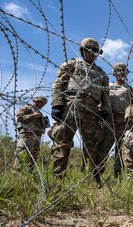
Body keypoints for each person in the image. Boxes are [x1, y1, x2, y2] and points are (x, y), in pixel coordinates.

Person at [50, 37, 110, 188]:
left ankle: (91, 178)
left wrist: (104, 110)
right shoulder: (72, 64)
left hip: (92, 110)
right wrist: (57, 104)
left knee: (91, 145)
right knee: (63, 141)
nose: (92, 53)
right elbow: (58, 84)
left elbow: (105, 95)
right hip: (72, 105)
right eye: (89, 50)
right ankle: (58, 177)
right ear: (83, 50)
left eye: (95, 51)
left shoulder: (101, 73)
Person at [97, 62, 133, 177]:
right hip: (109, 120)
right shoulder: (108, 86)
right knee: (103, 148)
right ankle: (96, 175)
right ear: (114, 73)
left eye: (123, 71)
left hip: (124, 122)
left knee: (121, 151)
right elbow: (101, 100)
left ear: (126, 73)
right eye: (118, 71)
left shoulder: (129, 89)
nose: (121, 73)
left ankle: (118, 176)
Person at [14, 96, 49, 172]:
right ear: (36, 101)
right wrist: (33, 116)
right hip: (27, 133)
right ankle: (17, 172)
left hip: (37, 135)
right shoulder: (27, 108)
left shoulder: (40, 113)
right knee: (23, 152)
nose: (41, 105)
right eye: (40, 103)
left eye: (43, 104)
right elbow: (20, 117)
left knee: (34, 155)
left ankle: (29, 172)